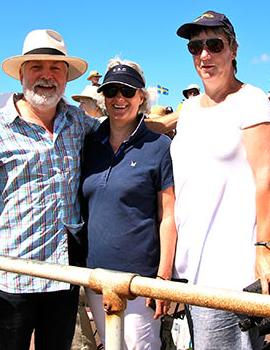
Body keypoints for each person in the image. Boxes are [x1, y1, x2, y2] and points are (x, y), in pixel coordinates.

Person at [0, 29, 99, 350]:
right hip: (13, 276)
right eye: (36, 67)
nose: (46, 76)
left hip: (64, 273)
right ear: (21, 74)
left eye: (55, 68)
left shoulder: (79, 122)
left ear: (66, 77)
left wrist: (183, 117)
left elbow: (123, 130)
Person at [171, 11, 270, 350]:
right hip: (193, 267)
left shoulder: (251, 102)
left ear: (233, 49)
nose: (204, 55)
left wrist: (265, 251)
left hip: (230, 270)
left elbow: (266, 180)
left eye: (214, 44)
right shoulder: (190, 109)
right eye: (195, 47)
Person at [81, 58, 176, 349]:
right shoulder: (88, 143)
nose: (119, 98)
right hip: (96, 278)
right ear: (103, 98)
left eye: (128, 91)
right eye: (112, 91)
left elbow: (169, 216)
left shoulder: (159, 147)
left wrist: (163, 279)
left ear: (141, 98)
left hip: (140, 281)